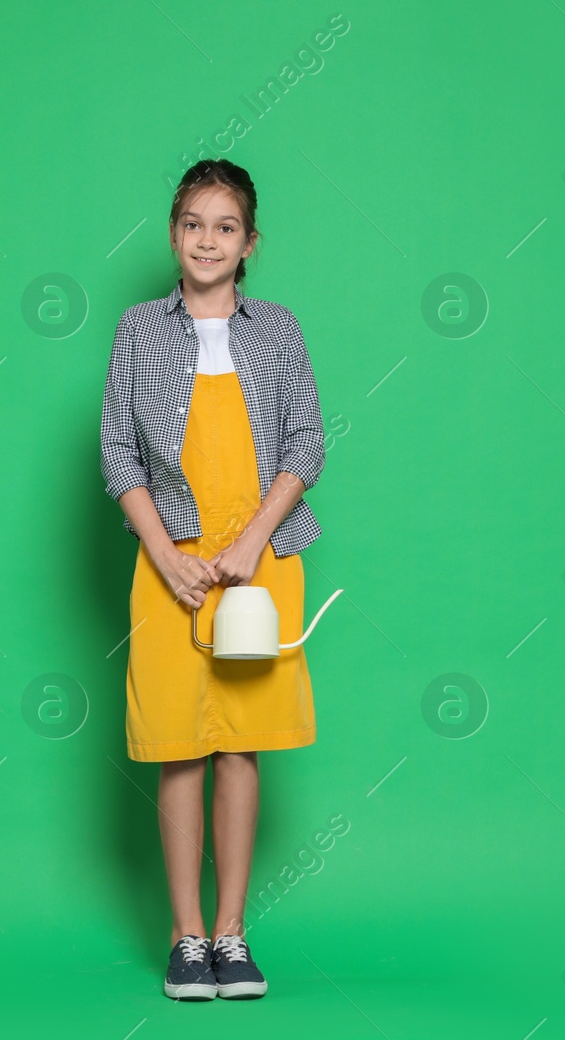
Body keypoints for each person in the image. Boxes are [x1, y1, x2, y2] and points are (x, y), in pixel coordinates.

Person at [100, 158, 327, 1001]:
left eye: (225, 227)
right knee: (178, 745)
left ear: (250, 243)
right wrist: (165, 553)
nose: (207, 239)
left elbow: (307, 440)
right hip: (171, 566)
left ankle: (232, 933)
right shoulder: (136, 330)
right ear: (172, 234)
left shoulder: (279, 330)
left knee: (240, 737)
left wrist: (252, 543)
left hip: (257, 568)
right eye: (193, 223)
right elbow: (117, 451)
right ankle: (184, 936)